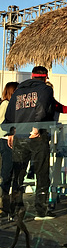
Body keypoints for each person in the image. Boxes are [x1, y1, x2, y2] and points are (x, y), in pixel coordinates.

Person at [3, 66, 56, 220]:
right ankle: (41, 211)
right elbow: (43, 108)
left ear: (32, 76)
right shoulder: (45, 90)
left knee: (18, 175)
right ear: (45, 77)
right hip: (37, 135)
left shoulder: (19, 91)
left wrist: (11, 132)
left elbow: (10, 113)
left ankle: (16, 211)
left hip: (19, 134)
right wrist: (37, 126)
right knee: (41, 173)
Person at [0, 82, 18, 218]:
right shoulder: (6, 105)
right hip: (5, 141)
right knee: (7, 173)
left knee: (7, 173)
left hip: (5, 140)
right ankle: (4, 206)